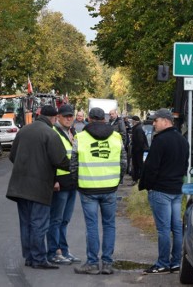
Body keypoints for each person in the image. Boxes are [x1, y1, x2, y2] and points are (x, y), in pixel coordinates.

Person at [6, 105, 70, 269]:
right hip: (40, 186)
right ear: (54, 118)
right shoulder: (50, 133)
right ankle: (39, 259)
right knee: (39, 223)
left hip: (19, 187)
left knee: (26, 223)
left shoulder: (24, 131)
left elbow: (12, 156)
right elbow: (60, 160)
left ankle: (29, 257)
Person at [71, 107, 127, 275]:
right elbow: (124, 162)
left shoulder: (80, 137)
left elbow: (73, 164)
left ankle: (92, 263)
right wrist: (117, 181)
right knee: (109, 225)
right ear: (104, 118)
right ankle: (108, 263)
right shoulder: (116, 137)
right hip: (110, 188)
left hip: (88, 189)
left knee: (92, 226)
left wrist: (78, 183)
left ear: (88, 118)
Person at [138, 108, 189, 274]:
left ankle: (162, 263)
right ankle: (176, 262)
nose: (154, 124)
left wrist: (147, 185)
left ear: (166, 121)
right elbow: (184, 165)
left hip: (160, 190)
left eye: (156, 120)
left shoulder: (160, 141)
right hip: (176, 189)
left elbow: (151, 167)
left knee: (163, 229)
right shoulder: (183, 140)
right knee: (177, 228)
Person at [46, 104, 81, 265]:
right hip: (59, 184)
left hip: (71, 182)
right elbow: (49, 160)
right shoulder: (53, 133)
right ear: (58, 117)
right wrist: (54, 180)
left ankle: (64, 251)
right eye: (65, 116)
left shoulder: (72, 132)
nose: (69, 118)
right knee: (56, 219)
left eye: (70, 116)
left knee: (65, 220)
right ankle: (53, 252)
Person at [108, 108, 128, 182]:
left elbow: (123, 133)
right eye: (110, 114)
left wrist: (121, 144)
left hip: (117, 144)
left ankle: (120, 178)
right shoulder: (109, 122)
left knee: (120, 162)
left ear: (116, 114)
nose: (111, 115)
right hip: (110, 145)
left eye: (112, 114)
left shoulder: (120, 122)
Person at [129, 115, 148, 185]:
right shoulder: (137, 128)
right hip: (137, 150)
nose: (131, 122)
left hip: (138, 151)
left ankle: (140, 180)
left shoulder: (138, 129)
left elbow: (140, 140)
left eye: (132, 121)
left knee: (139, 165)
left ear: (134, 121)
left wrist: (137, 150)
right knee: (136, 165)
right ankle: (136, 180)